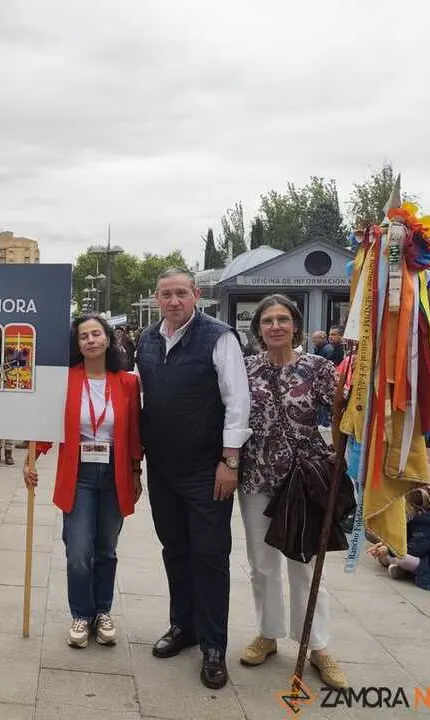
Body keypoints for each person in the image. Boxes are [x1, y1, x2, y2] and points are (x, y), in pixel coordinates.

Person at [134, 268, 251, 690]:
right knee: (175, 550)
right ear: (157, 296)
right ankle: (182, 626)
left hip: (207, 470)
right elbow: (139, 398)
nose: (173, 301)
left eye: (181, 293)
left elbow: (238, 402)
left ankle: (214, 645)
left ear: (196, 295)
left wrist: (230, 461)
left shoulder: (218, 337)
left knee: (210, 556)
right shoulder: (147, 340)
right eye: (166, 294)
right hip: (163, 468)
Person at [237, 294, 347, 689]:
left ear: (296, 326)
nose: (276, 326)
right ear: (259, 328)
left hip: (304, 480)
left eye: (283, 319)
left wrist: (339, 459)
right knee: (262, 563)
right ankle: (267, 633)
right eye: (268, 320)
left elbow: (340, 413)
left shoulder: (318, 367)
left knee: (304, 564)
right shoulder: (245, 368)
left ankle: (316, 645)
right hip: (255, 479)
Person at [25, 314, 142, 648]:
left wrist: (136, 472)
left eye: (96, 334)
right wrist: (32, 457)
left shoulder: (127, 383)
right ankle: (81, 614)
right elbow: (51, 424)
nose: (90, 341)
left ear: (108, 338)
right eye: (83, 337)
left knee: (106, 548)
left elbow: (133, 431)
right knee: (78, 551)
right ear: (76, 345)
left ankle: (102, 611)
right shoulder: (66, 380)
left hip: (115, 472)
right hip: (78, 474)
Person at [368, 487, 430, 593]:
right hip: (427, 557)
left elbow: (414, 549)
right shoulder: (419, 517)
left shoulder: (429, 525)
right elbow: (404, 538)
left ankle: (402, 568)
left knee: (400, 558)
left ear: (413, 507)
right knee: (385, 556)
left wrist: (388, 549)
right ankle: (401, 568)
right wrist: (384, 544)